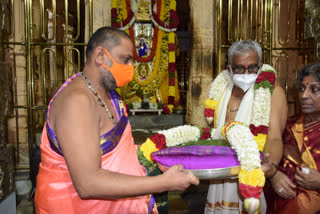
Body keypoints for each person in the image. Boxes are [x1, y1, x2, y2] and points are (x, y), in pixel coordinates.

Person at [34, 27, 199, 214]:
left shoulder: (110, 95)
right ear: (100, 56)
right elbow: (87, 183)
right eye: (125, 60)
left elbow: (117, 151)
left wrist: (154, 161)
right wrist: (161, 183)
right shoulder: (77, 101)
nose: (130, 69)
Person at [204, 40, 288, 214]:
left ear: (261, 66)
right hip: (220, 177)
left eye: (252, 67)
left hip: (252, 175)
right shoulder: (220, 91)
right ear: (229, 69)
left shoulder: (272, 92)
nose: (246, 73)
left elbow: (274, 137)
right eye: (239, 68)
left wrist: (269, 166)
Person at [265, 63, 320, 214]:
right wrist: (273, 176)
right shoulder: (287, 126)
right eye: (302, 89)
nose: (304, 95)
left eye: (314, 89)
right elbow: (266, 158)